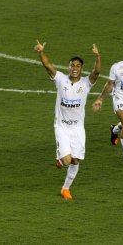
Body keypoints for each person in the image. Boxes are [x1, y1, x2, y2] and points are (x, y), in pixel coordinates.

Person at [34, 40, 101, 200]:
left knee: (76, 160)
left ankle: (65, 189)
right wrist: (41, 52)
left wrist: (98, 56)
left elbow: (97, 73)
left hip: (78, 128)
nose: (75, 68)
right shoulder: (61, 80)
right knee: (67, 160)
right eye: (72, 65)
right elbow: (48, 66)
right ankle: (60, 160)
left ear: (81, 69)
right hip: (62, 127)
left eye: (78, 66)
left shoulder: (86, 83)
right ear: (68, 67)